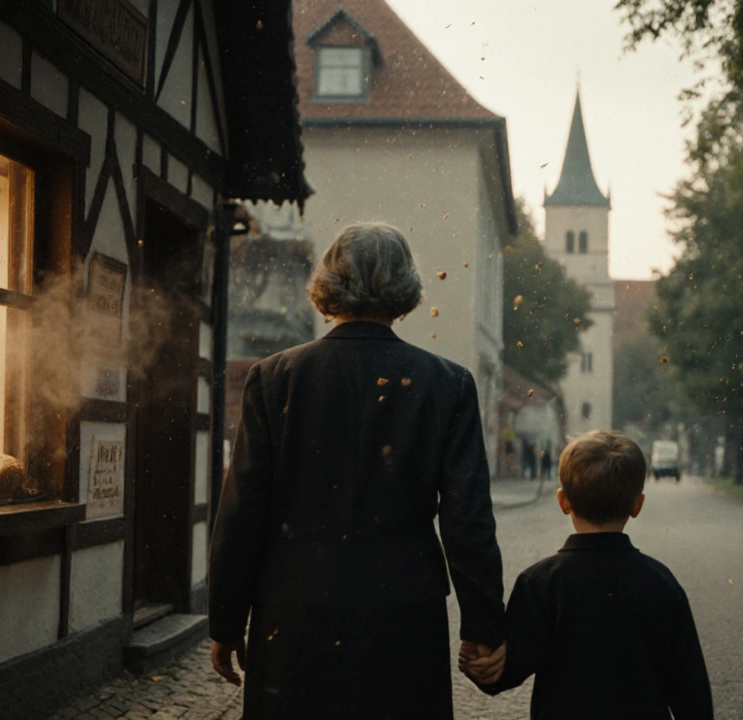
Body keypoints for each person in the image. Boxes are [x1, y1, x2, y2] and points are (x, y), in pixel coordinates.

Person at [209, 222, 507, 719]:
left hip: (295, 612)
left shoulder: (275, 379)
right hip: (403, 616)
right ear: (404, 288)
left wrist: (225, 620)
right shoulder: (447, 385)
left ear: (328, 284)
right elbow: (467, 520)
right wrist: (484, 627)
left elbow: (241, 511)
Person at [462, 430, 713, 720]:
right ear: (637, 505)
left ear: (563, 501)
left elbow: (507, 670)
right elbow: (690, 688)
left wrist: (480, 656)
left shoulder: (540, 582)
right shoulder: (660, 583)